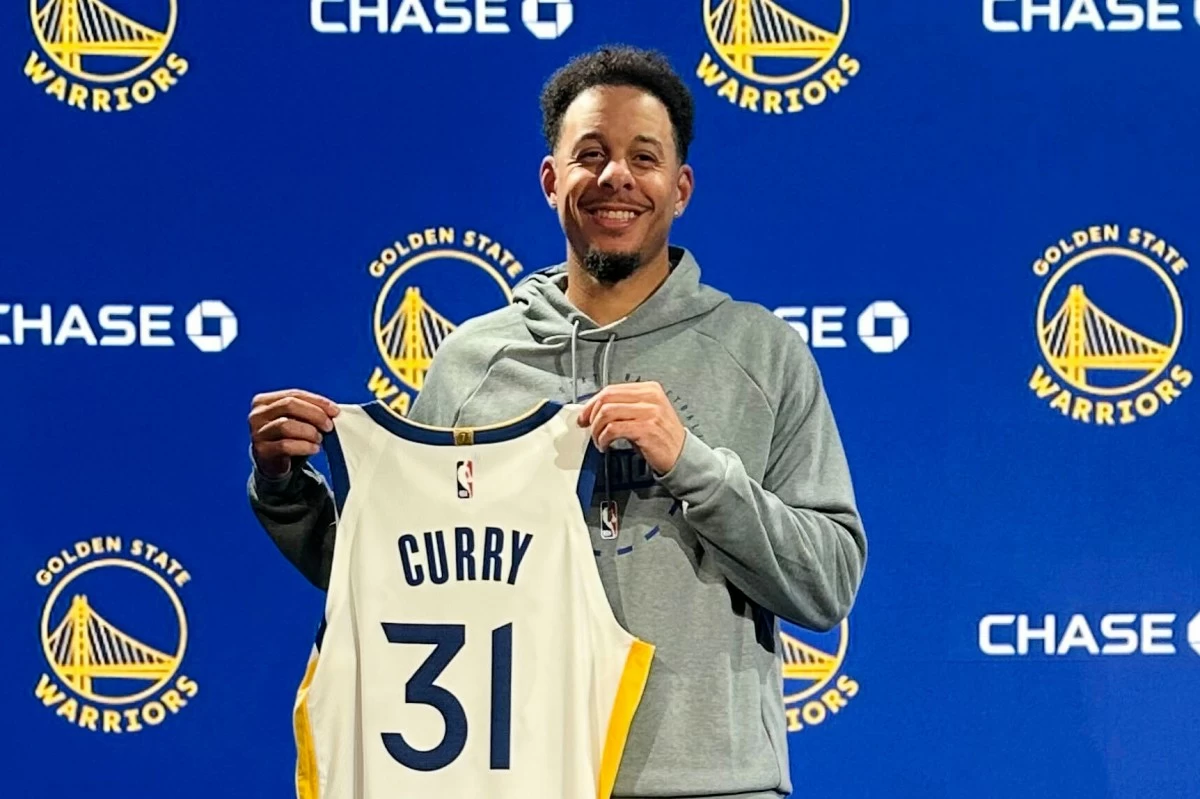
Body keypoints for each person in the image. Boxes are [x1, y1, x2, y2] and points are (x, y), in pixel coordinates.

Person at [248, 45, 867, 799]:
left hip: (711, 784)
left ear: (681, 188)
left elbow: (827, 583)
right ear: (552, 181)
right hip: (509, 778)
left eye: (645, 157)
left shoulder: (762, 352)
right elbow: (397, 582)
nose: (617, 178)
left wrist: (693, 465)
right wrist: (286, 490)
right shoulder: (473, 360)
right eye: (591, 155)